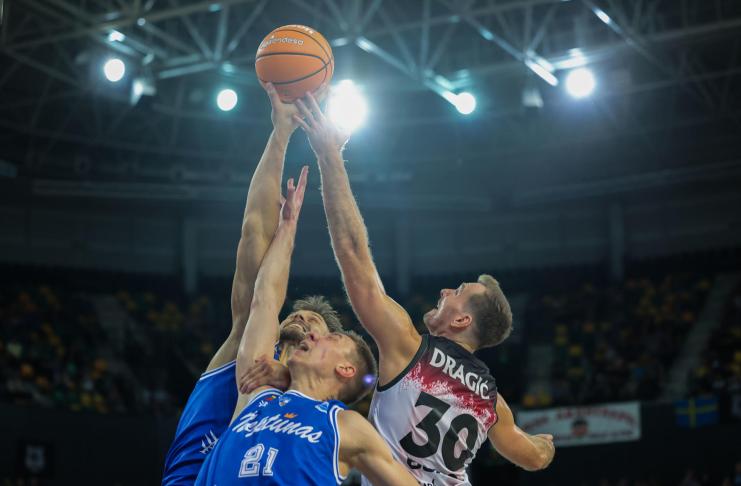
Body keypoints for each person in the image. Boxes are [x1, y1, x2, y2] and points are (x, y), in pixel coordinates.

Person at [292, 93, 556, 485]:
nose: (447, 289)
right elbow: (532, 457)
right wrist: (547, 444)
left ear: (463, 319)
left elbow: (352, 253)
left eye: (459, 291)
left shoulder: (407, 347)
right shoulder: (492, 402)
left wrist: (330, 156)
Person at [162, 83, 341, 485]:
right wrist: (280, 134)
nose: (301, 322)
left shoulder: (325, 407)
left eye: (314, 324)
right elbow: (253, 233)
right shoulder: (254, 339)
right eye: (296, 314)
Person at [195, 166, 417, 486]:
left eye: (332, 337)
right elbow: (264, 300)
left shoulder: (346, 427)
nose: (313, 334)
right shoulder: (257, 391)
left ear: (346, 369)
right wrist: (287, 227)